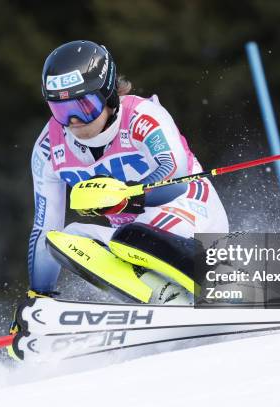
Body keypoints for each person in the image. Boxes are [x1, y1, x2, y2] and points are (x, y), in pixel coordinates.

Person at [25, 39, 229, 304]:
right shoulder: (48, 147)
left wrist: (128, 196)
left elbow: (175, 176)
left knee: (131, 236)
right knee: (66, 239)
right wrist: (37, 297)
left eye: (84, 107)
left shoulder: (141, 116)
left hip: (192, 217)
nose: (74, 121)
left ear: (107, 94)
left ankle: (228, 284)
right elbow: (44, 226)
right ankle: (165, 299)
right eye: (61, 110)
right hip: (132, 238)